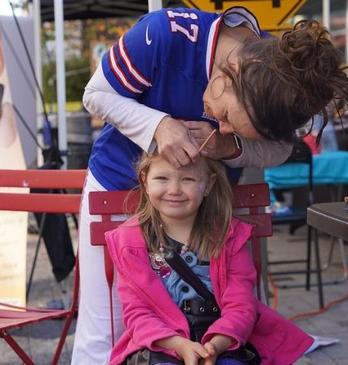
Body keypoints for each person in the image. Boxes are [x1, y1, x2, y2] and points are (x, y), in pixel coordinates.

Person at [72, 6, 348, 363]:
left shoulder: (279, 78)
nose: (225, 128)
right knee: (106, 327)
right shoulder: (163, 34)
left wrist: (230, 147)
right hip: (118, 184)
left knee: (227, 313)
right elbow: (96, 94)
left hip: (206, 205)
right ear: (227, 73)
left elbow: (280, 148)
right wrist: (159, 126)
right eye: (230, 118)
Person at [105, 152, 313, 365]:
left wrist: (215, 346)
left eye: (188, 179)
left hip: (223, 339)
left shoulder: (229, 237)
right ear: (145, 181)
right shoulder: (131, 242)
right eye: (162, 178)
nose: (174, 190)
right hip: (161, 343)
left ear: (208, 184)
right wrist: (180, 345)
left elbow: (241, 306)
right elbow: (137, 313)